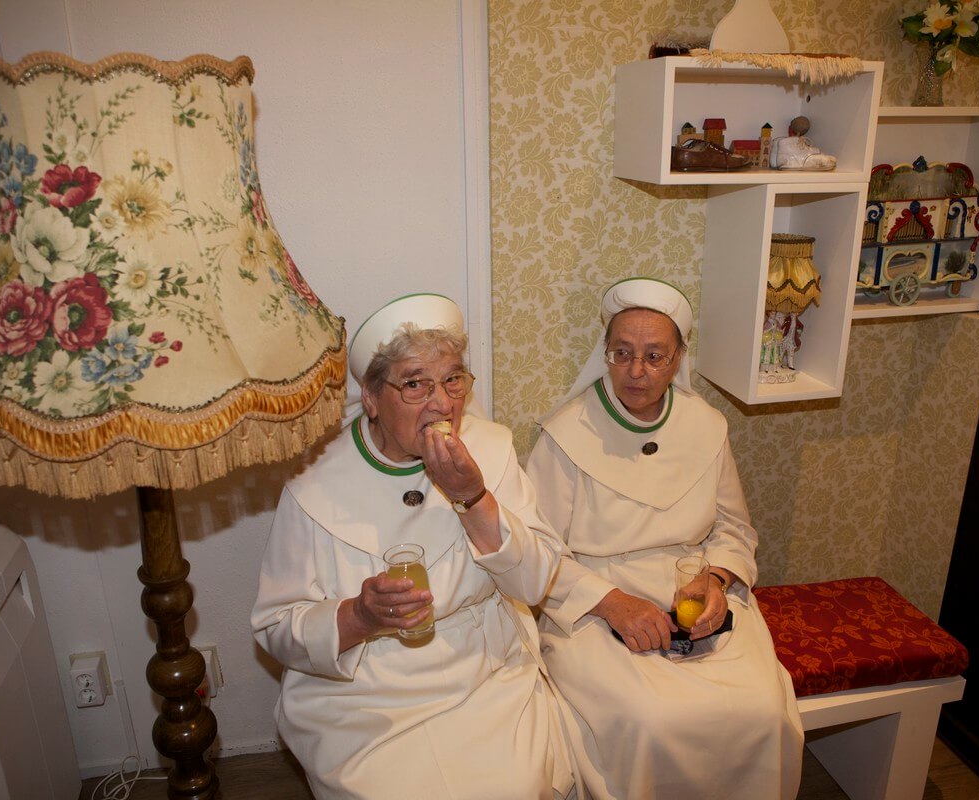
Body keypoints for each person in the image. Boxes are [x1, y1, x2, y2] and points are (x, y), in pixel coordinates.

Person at [251, 293, 576, 800]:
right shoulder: (313, 483)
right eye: (415, 383)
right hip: (363, 694)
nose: (443, 402)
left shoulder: (490, 448)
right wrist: (360, 615)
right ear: (372, 397)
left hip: (481, 673)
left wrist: (473, 497)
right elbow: (275, 627)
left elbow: (535, 581)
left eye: (452, 379)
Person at [527, 277, 803, 800]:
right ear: (605, 355)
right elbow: (538, 553)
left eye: (655, 355)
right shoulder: (565, 435)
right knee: (649, 719)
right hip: (596, 600)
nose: (637, 371)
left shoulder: (706, 426)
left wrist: (718, 579)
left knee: (762, 711)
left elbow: (734, 529)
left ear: (677, 360)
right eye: (623, 353)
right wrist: (613, 604)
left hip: (693, 590)